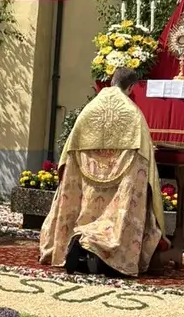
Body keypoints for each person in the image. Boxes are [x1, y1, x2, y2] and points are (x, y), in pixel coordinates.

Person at [39, 67, 172, 277]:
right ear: (131, 87)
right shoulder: (133, 114)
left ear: (111, 80)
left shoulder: (89, 110)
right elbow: (145, 157)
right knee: (118, 214)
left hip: (87, 182)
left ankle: (78, 239)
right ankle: (101, 248)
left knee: (88, 209)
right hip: (121, 183)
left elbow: (68, 154)